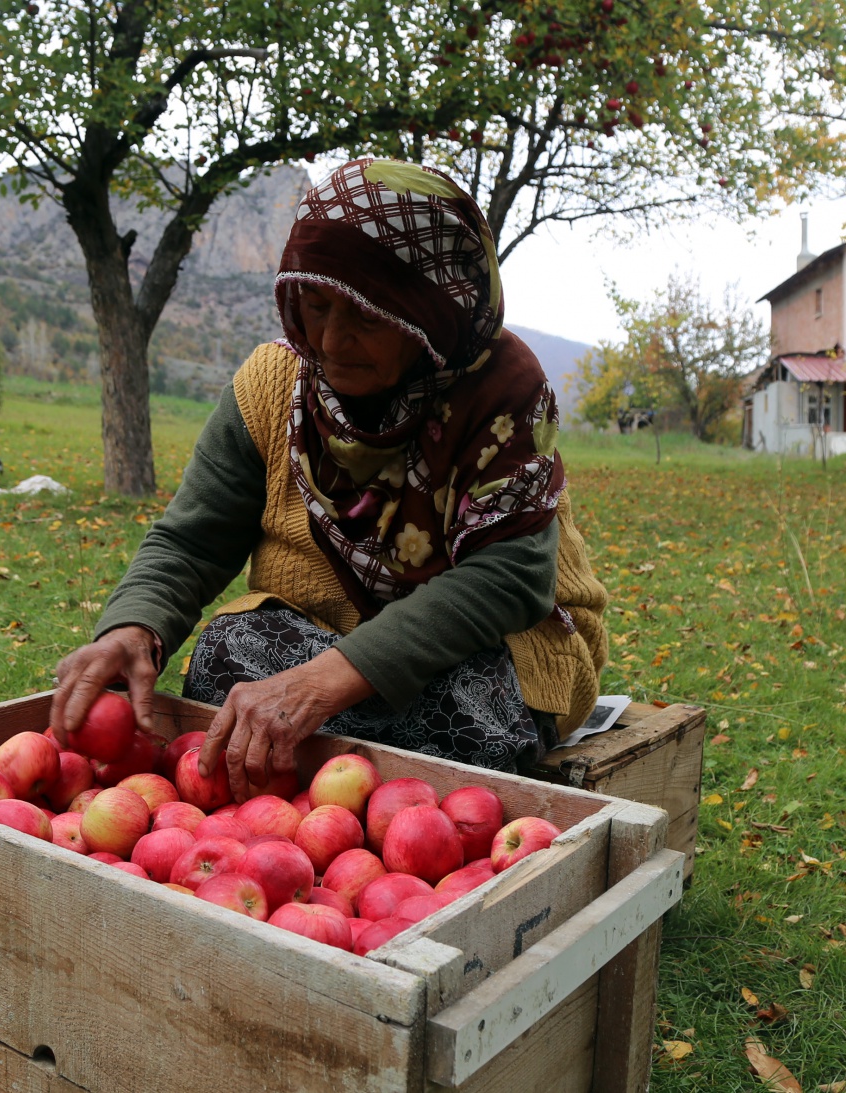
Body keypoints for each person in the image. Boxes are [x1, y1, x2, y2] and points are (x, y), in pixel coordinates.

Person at [52, 158, 607, 801]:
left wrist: (321, 685)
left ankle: (349, 786)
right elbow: (193, 540)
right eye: (315, 305)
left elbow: (510, 577)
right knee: (228, 654)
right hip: (325, 635)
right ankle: (339, 797)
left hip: (499, 643)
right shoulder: (272, 385)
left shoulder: (503, 397)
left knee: (478, 721)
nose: (331, 340)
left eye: (368, 317)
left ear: (428, 316)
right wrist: (134, 626)